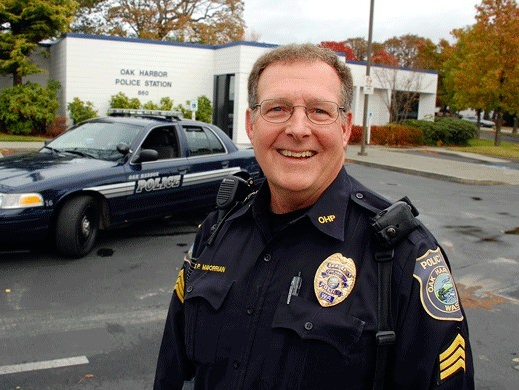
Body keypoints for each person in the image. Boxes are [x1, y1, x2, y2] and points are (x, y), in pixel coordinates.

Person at [154, 43, 474, 389]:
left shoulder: (401, 256)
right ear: (251, 124)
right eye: (277, 108)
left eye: (320, 111)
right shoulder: (218, 230)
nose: (298, 128)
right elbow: (172, 369)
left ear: (345, 127)